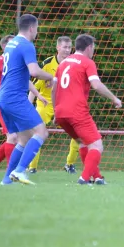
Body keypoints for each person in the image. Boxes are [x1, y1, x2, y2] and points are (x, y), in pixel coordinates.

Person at [51, 34, 122, 185]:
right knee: (97, 145)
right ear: (89, 47)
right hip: (77, 111)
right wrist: (114, 98)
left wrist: (55, 111)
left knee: (83, 143)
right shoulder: (87, 62)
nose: (93, 51)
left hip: (61, 112)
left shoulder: (62, 64)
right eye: (93, 48)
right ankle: (84, 178)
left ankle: (97, 177)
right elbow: (96, 85)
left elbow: (53, 89)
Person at [0, 34, 47, 179]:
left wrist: (38, 94)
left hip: (14, 101)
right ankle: (14, 172)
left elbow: (26, 80)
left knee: (19, 138)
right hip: (6, 102)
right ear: (4, 46)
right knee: (14, 137)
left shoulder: (16, 61)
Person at [0, 14, 53, 185]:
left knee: (23, 139)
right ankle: (20, 171)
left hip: (3, 97)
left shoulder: (11, 44)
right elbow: (34, 71)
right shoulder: (26, 45)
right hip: (15, 97)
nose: (37, 31)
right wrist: (52, 77)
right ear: (31, 28)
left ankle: (7, 179)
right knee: (41, 132)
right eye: (37, 28)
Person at [26, 36, 78, 174]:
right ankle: (32, 167)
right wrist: (27, 107)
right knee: (37, 133)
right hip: (46, 103)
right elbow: (34, 86)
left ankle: (70, 164)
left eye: (69, 47)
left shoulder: (74, 63)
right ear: (57, 48)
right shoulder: (47, 64)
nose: (67, 50)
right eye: (64, 47)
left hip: (65, 103)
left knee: (78, 132)